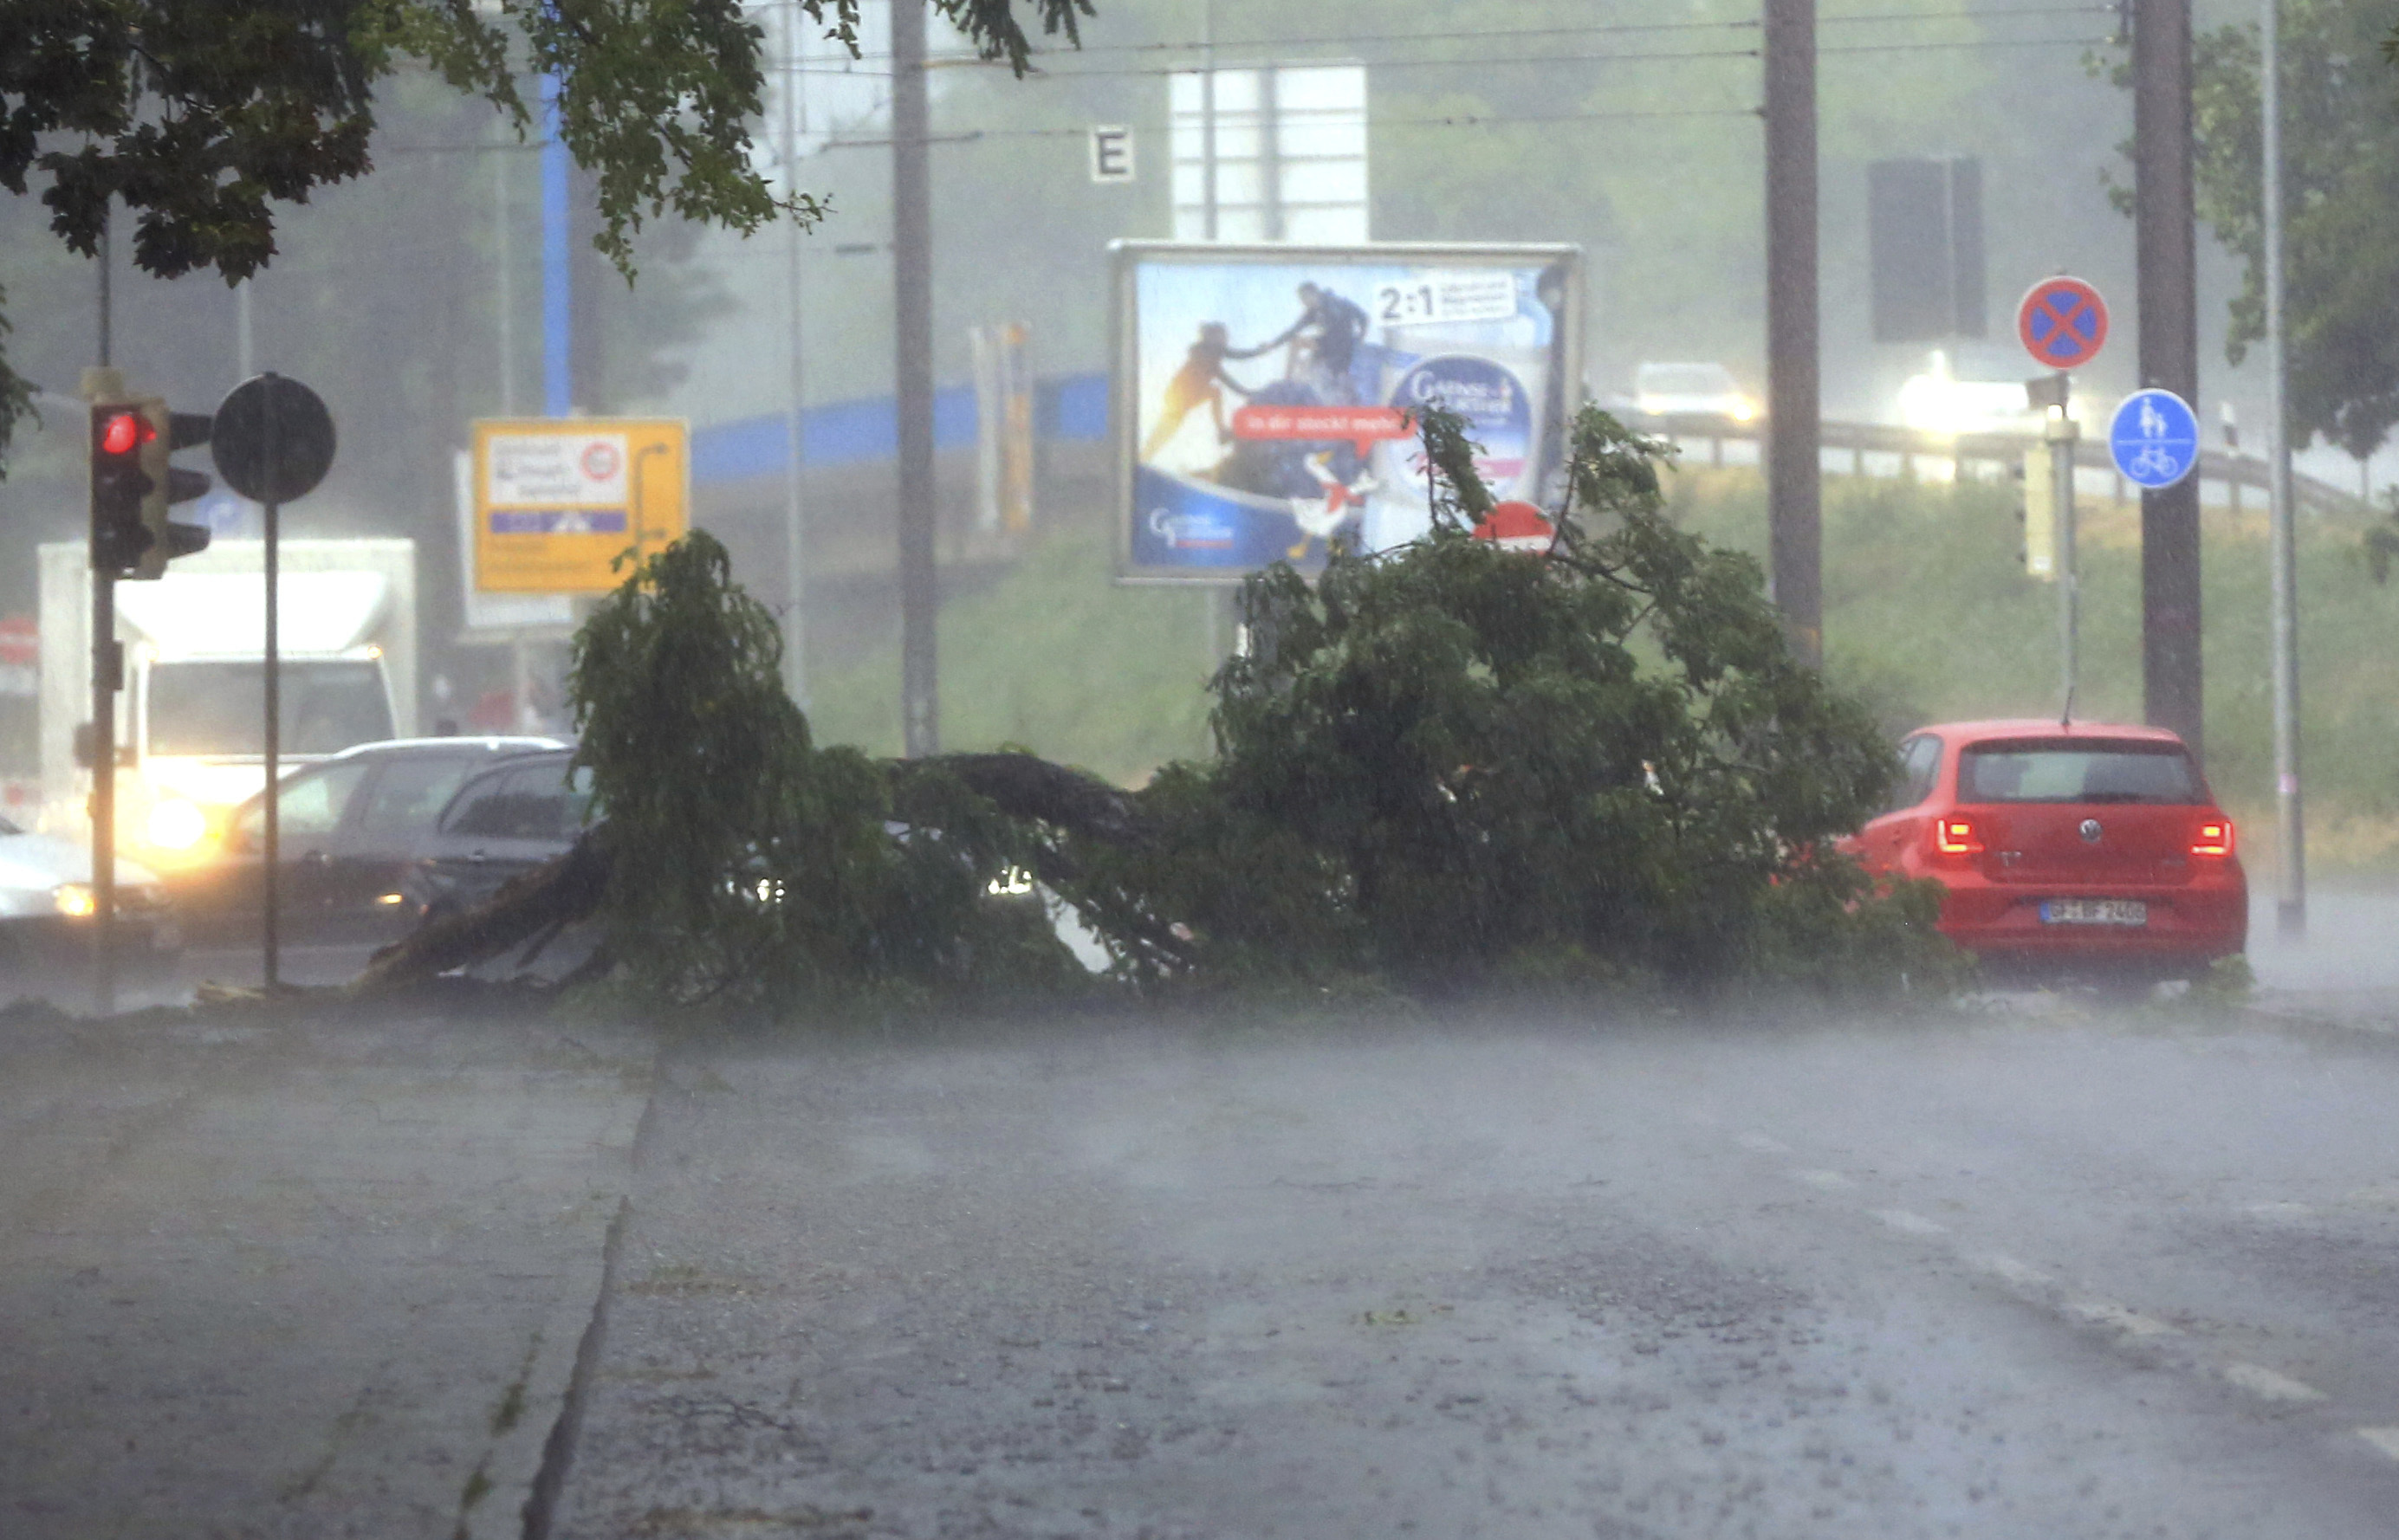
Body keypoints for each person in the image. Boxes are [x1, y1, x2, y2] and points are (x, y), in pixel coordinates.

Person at [1142, 322, 1266, 461]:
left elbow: (1231, 375)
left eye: (1225, 338)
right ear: (1211, 338)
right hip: (1179, 395)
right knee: (1167, 428)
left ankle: (1146, 455)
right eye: (1222, 337)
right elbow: (1239, 357)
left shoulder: (1212, 356)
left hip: (1185, 397)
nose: (1225, 341)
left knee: (1169, 427)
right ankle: (1145, 456)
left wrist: (1248, 392)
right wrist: (1260, 351)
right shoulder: (1207, 353)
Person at [1261, 281, 1372, 392]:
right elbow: (1293, 330)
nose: (1303, 302)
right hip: (1328, 345)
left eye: (1304, 298)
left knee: (1298, 344)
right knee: (1300, 352)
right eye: (1301, 299)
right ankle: (1290, 382)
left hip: (1342, 346)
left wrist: (1360, 340)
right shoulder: (1313, 312)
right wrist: (1273, 344)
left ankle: (1287, 380)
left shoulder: (1337, 302)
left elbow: (1364, 318)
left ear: (1314, 293)